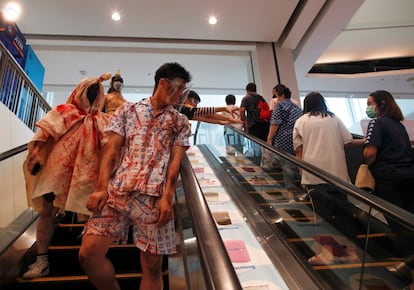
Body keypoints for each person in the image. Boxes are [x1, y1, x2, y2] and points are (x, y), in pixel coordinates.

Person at [78, 62, 192, 290]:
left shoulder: (180, 122)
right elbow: (110, 151)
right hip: (118, 191)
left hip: (154, 199)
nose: (181, 95)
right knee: (88, 254)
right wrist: (101, 188)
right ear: (163, 83)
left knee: (152, 267)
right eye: (179, 88)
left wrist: (167, 198)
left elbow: (175, 163)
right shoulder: (127, 110)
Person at [22, 73, 111, 278]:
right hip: (57, 172)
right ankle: (41, 261)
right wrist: (36, 154)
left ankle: (90, 261)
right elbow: (43, 132)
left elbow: (112, 147)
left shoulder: (104, 120)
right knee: (47, 212)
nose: (92, 95)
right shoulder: (64, 111)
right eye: (89, 91)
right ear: (79, 91)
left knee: (92, 215)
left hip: (87, 176)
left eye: (96, 92)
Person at [293, 92, 363, 264]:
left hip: (314, 176)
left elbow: (299, 151)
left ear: (306, 105)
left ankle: (328, 253)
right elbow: (347, 142)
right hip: (337, 175)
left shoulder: (301, 121)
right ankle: (351, 252)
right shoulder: (334, 118)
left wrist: (302, 175)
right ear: (323, 103)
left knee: (322, 216)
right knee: (343, 214)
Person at [363, 90, 414, 258]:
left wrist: (367, 166)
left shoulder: (377, 122)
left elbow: (370, 152)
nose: (367, 107)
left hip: (387, 179)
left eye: (370, 103)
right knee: (409, 220)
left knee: (398, 225)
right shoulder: (398, 124)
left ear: (381, 104)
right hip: (408, 176)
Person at [266, 84, 302, 199]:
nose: (274, 96)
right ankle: (302, 188)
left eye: (275, 94)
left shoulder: (279, 106)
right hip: (296, 139)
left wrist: (269, 138)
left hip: (282, 138)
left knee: (286, 165)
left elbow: (275, 123)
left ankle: (290, 192)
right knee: (297, 164)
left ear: (279, 93)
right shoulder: (296, 107)